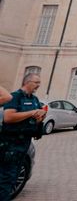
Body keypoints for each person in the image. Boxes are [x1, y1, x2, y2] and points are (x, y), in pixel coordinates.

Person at [0, 73, 46, 201]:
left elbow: (37, 118)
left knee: (13, 179)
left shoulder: (35, 99)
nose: (39, 85)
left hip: (24, 143)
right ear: (27, 82)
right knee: (5, 180)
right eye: (36, 82)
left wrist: (41, 115)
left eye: (39, 83)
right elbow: (8, 117)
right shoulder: (15, 97)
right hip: (10, 144)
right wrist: (31, 112)